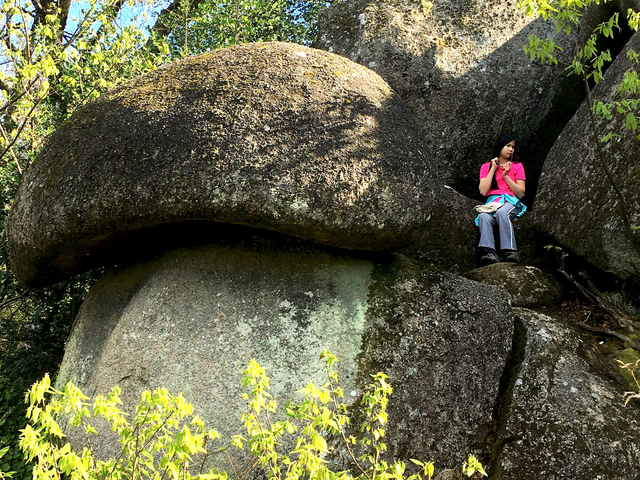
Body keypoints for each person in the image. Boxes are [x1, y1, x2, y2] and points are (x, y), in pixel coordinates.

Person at [476, 133, 526, 265]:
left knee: (502, 213)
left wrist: (506, 176)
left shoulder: (517, 166)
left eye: (513, 147)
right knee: (483, 217)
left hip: (510, 201)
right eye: (508, 145)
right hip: (492, 202)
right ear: (500, 146)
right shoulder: (486, 167)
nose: (511, 149)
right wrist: (493, 169)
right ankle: (490, 253)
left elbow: (521, 193)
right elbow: (483, 191)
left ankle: (510, 251)